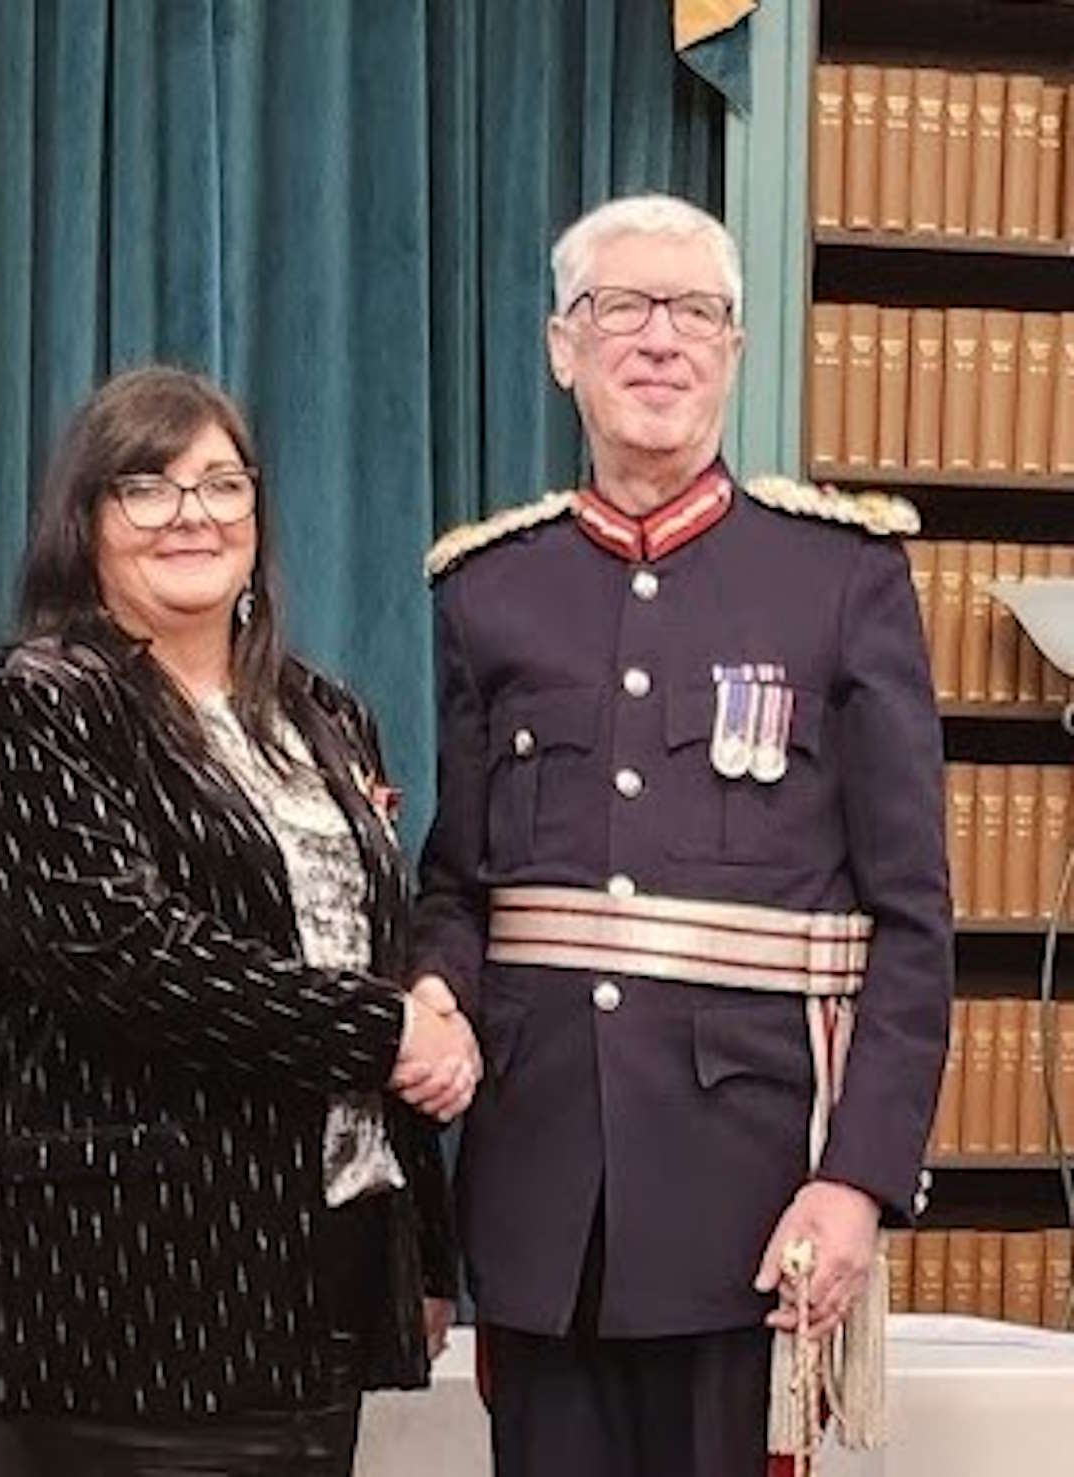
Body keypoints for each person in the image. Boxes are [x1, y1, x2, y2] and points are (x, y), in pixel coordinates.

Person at [410, 195, 953, 1477]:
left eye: (693, 311)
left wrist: (857, 1179)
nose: (658, 339)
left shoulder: (841, 577)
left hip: (752, 1204)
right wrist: (432, 987)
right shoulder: (489, 591)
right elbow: (459, 888)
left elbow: (912, 922)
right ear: (560, 346)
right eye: (620, 309)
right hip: (544, 1208)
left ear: (733, 347)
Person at [0, 365, 479, 1477]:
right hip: (94, 1311)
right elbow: (129, 958)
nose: (193, 516)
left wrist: (421, 1251)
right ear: (87, 523)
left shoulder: (323, 716)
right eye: (149, 488)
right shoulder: (37, 707)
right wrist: (388, 1033)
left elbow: (373, 952)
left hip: (305, 1296)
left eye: (222, 484)